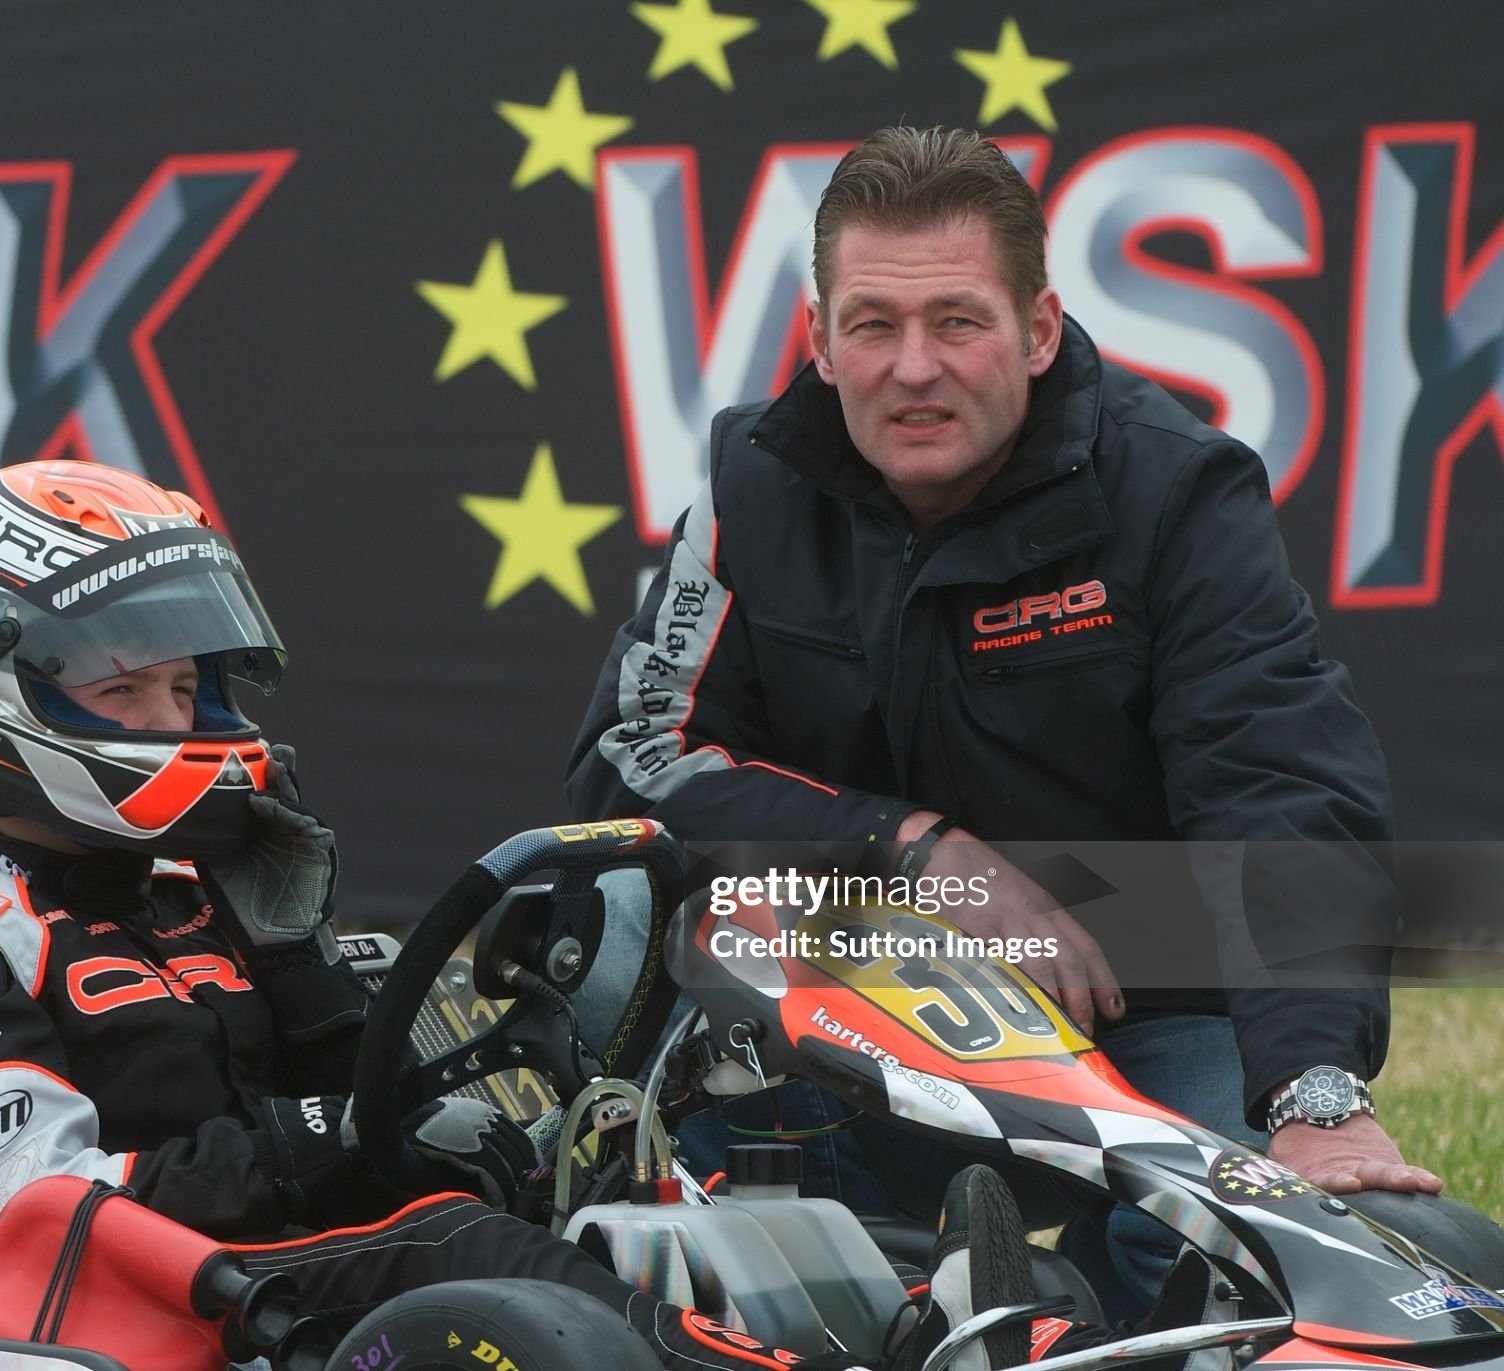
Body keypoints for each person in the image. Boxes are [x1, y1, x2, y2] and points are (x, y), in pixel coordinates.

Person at [0, 458, 1041, 1371]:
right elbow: (43, 1202)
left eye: (188, 687)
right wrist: (329, 1133)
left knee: (649, 1194)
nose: (181, 724)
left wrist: (301, 958)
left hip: (278, 1261)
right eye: (132, 692)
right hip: (121, 1295)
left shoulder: (192, 887)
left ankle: (956, 1326)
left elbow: (362, 1088)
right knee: (453, 1244)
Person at [565, 126, 1441, 1320]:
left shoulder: (1173, 489)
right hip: (849, 1004)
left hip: (1143, 1012)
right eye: (871, 324)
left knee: (1232, 1281)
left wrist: (1313, 1094)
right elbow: (629, 767)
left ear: (1036, 331)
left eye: (957, 323)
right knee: (699, 1209)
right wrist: (907, 851)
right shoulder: (747, 486)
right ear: (819, 339)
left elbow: (1280, 787)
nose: (912, 367)